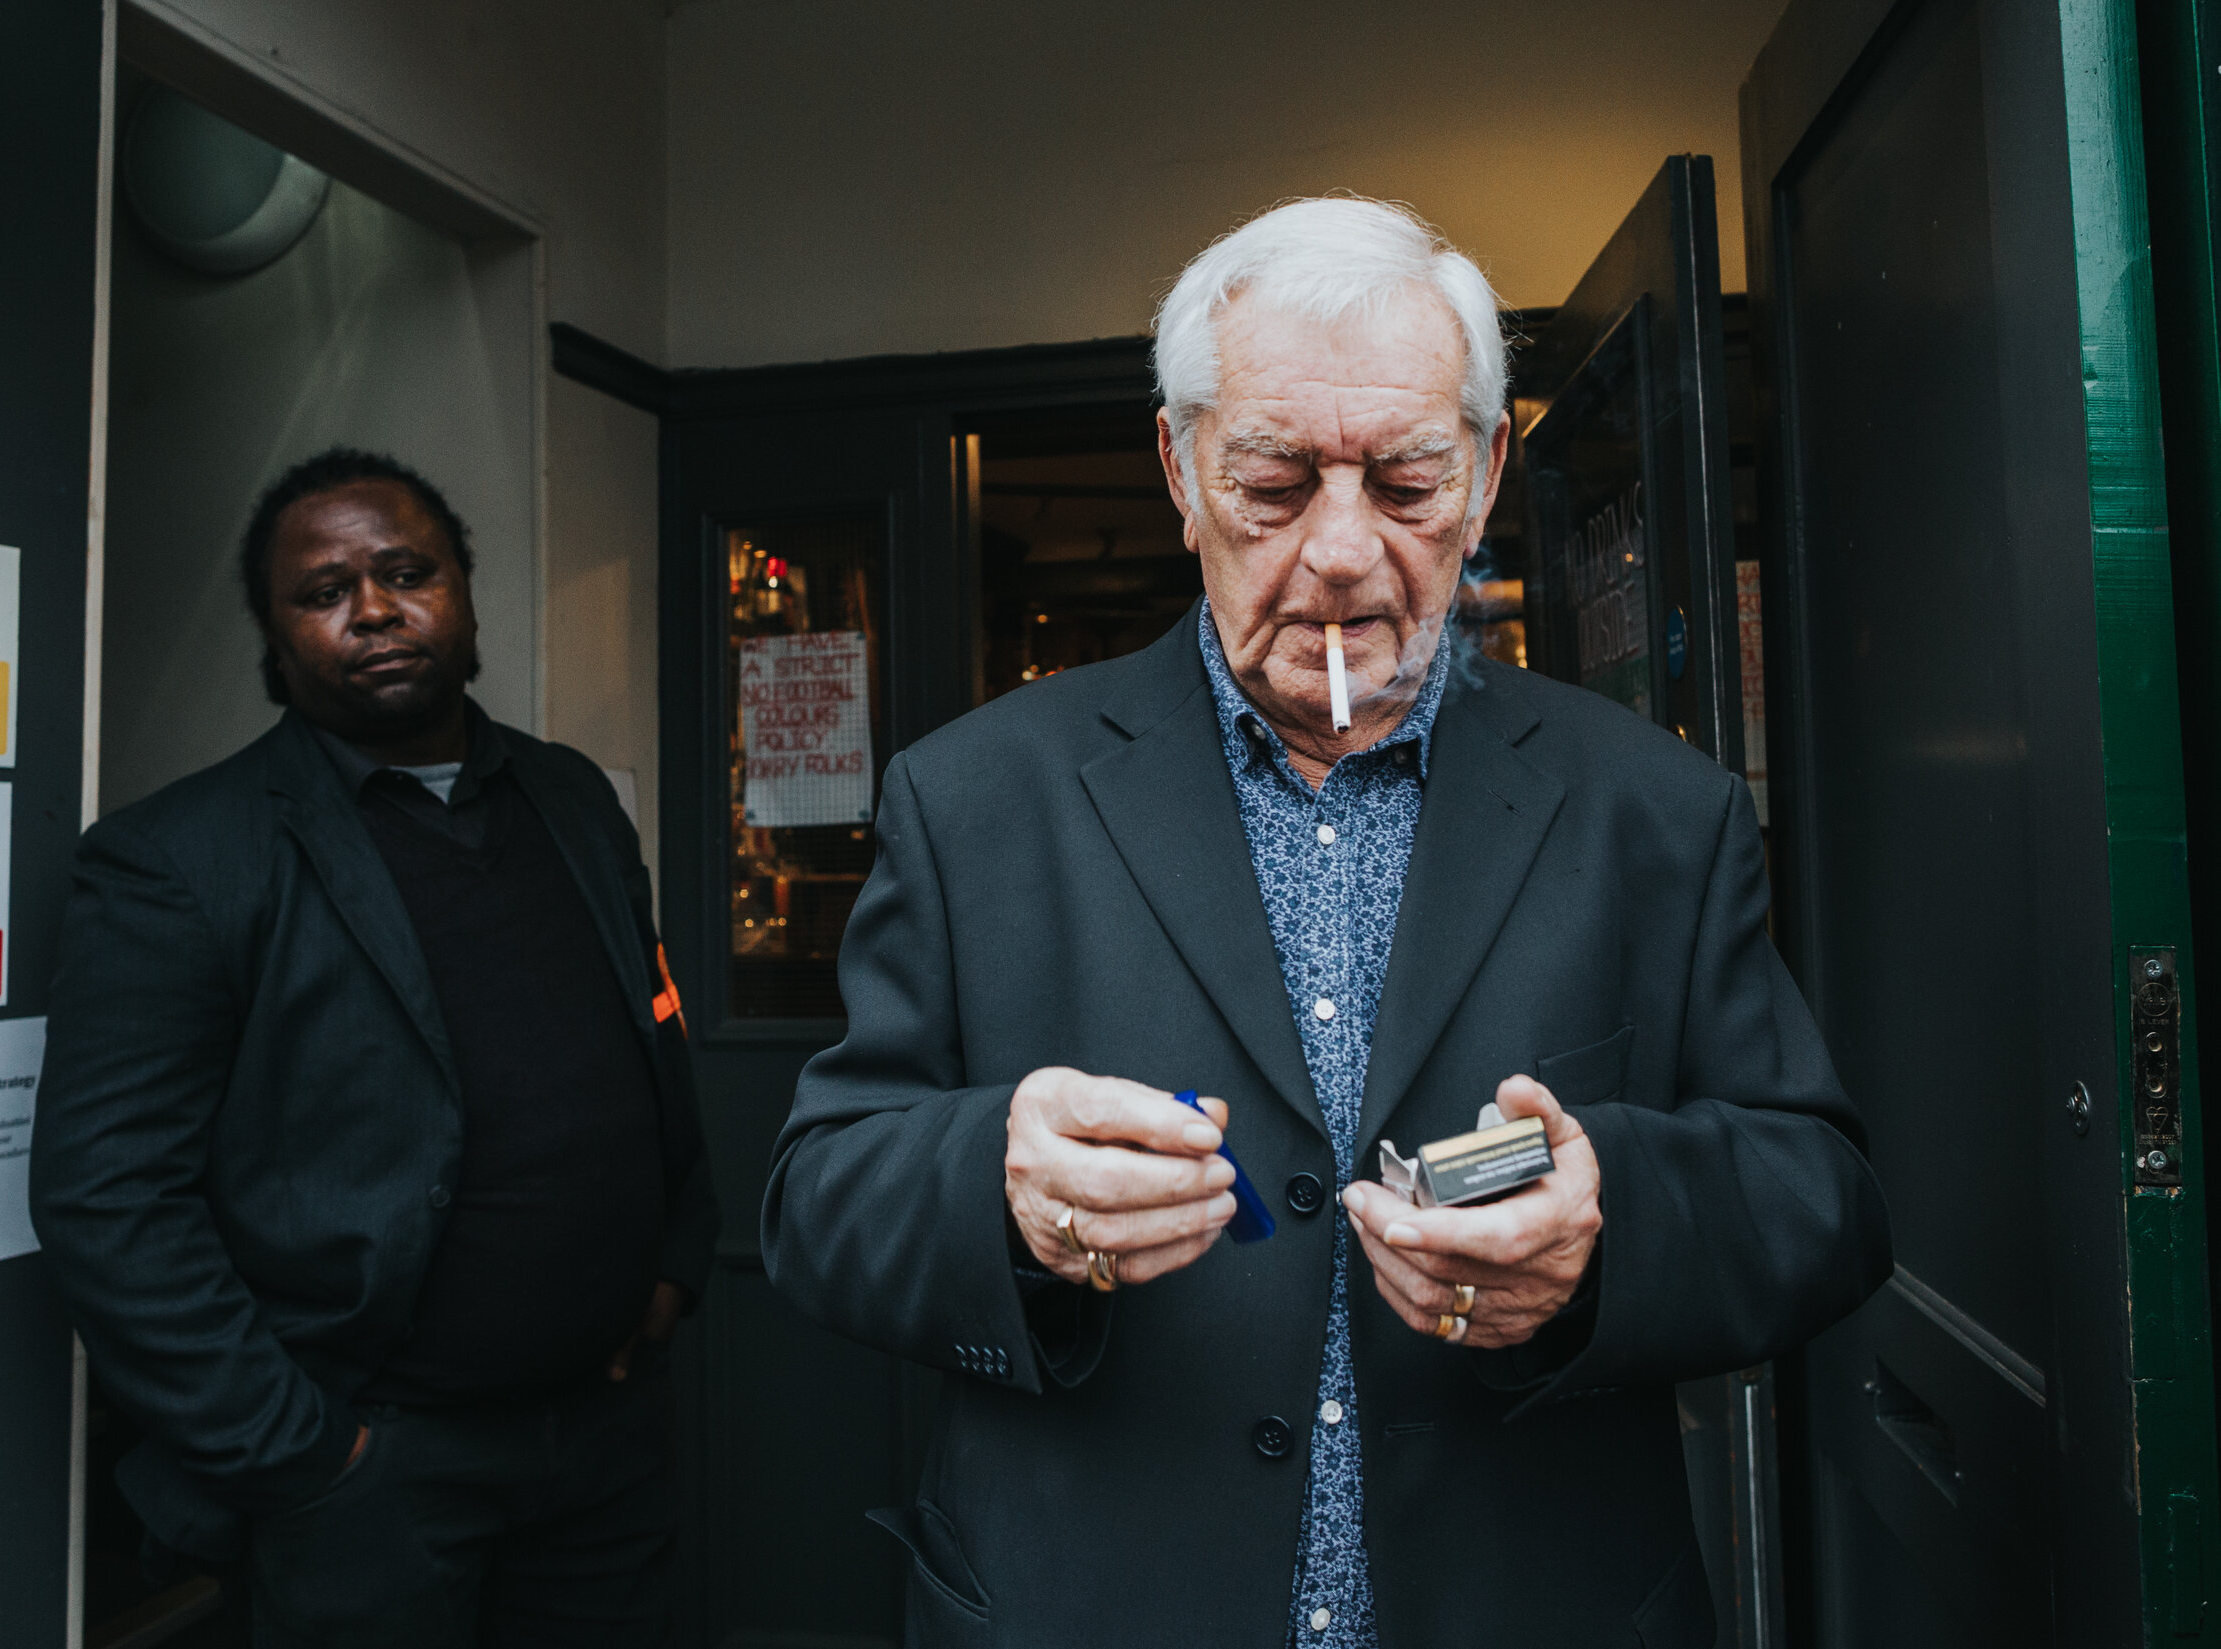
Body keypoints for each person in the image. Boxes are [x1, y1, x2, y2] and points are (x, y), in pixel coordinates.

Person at [760, 199, 1891, 1648]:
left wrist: (1608, 1220)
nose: (1345, 553)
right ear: (1179, 470)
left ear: (1484, 472)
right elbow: (817, 1192)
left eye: (1406, 482)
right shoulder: (976, 796)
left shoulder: (1656, 812)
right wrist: (999, 1186)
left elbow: (1823, 1195)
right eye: (1276, 484)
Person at [31, 448, 716, 1648]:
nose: (377, 610)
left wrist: (674, 1252)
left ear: (463, 593)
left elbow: (651, 1029)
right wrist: (304, 1449)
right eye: (326, 589)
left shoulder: (570, 799)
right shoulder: (179, 858)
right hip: (369, 1472)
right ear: (276, 635)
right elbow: (108, 1196)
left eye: (408, 572)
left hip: (604, 1434)